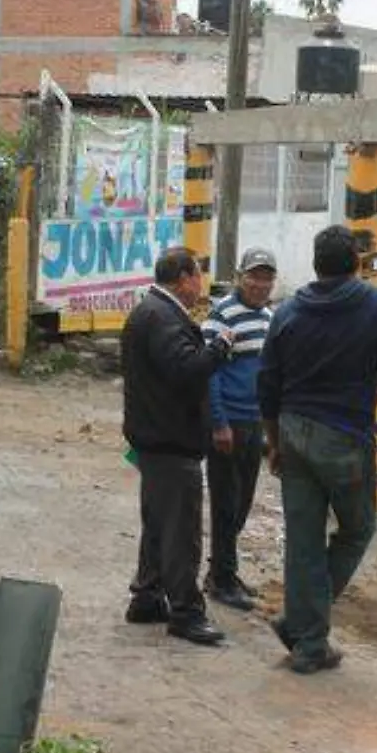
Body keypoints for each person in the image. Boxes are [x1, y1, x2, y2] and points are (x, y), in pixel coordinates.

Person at [258, 225, 377, 675]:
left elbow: (267, 381)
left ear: (316, 264)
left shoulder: (287, 311)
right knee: (357, 529)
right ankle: (309, 635)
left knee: (303, 542)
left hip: (294, 431)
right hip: (342, 438)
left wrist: (274, 442)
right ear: (357, 263)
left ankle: (304, 629)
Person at [121, 247, 236, 646]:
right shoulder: (162, 316)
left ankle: (148, 596)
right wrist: (219, 348)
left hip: (157, 437)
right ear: (184, 277)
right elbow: (186, 372)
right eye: (198, 277)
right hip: (170, 440)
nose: (199, 286)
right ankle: (186, 611)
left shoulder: (152, 312)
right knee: (181, 530)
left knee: (159, 524)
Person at [199, 248, 278, 613]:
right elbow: (209, 373)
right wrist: (218, 422)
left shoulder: (269, 318)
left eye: (266, 277)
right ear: (239, 276)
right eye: (254, 276)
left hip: (254, 423)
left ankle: (222, 570)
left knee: (243, 501)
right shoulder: (222, 315)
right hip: (229, 423)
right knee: (226, 502)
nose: (260, 284)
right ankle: (222, 579)